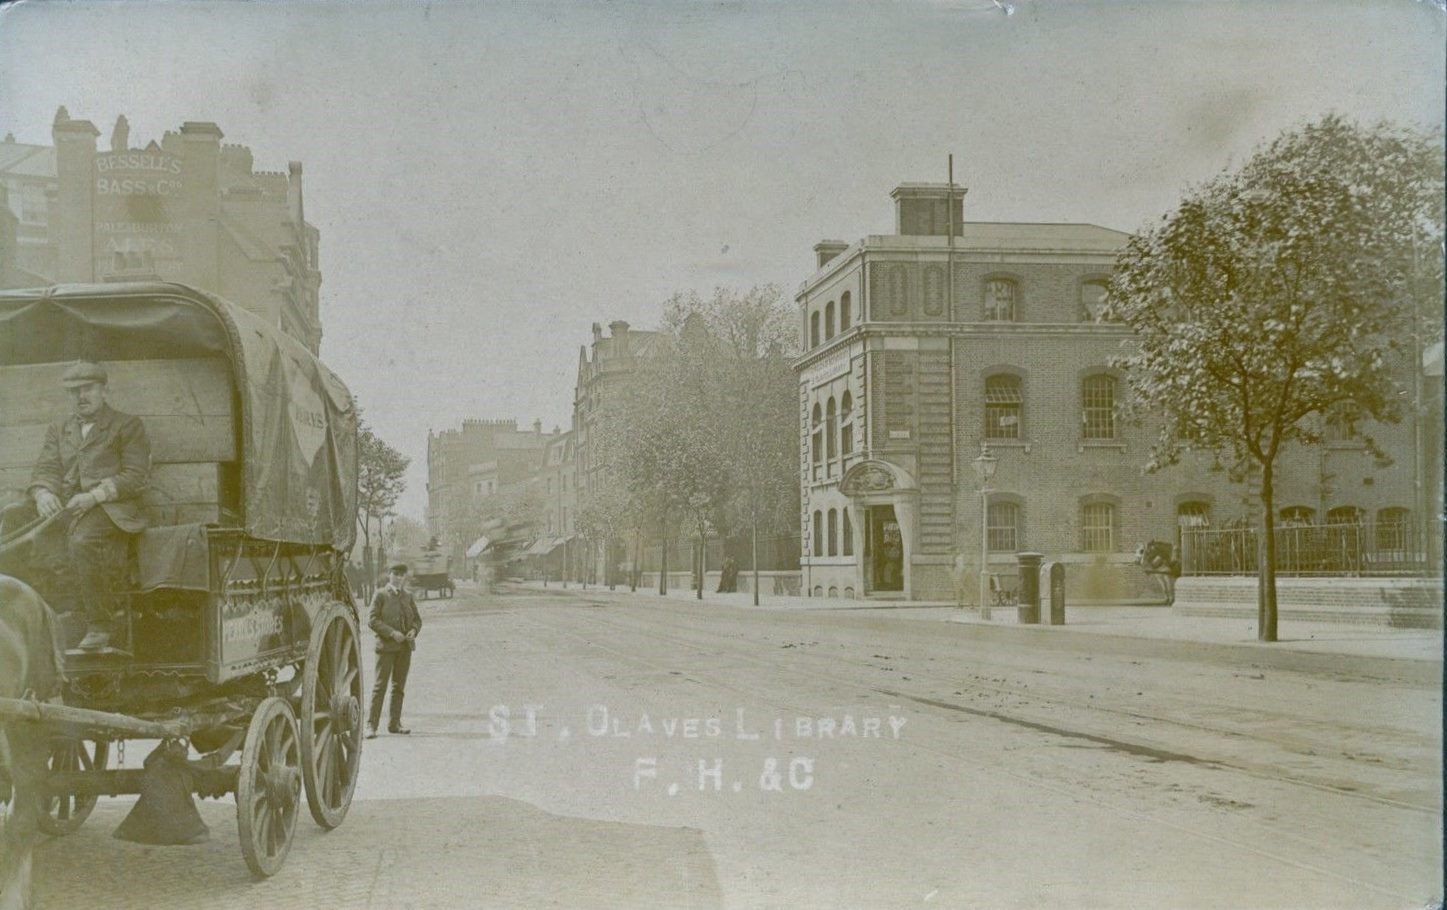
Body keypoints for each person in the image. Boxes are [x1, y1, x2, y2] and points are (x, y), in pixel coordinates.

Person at [28, 361, 151, 651]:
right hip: (70, 507)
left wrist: (95, 495)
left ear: (104, 391)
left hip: (113, 508)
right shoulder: (60, 428)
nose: (80, 397)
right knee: (18, 525)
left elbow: (136, 476)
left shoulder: (128, 425)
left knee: (83, 541)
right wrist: (43, 493)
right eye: (73, 392)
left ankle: (100, 624)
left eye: (87, 389)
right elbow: (46, 468)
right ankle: (54, 615)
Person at [367, 563, 422, 738]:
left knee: (399, 687)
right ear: (389, 575)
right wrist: (391, 633)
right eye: (395, 574)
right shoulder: (380, 595)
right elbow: (372, 620)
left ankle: (394, 723)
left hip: (404, 649)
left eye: (402, 575)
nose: (398, 578)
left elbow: (417, 620)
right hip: (386, 648)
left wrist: (414, 630)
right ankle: (371, 726)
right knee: (379, 686)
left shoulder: (408, 596)